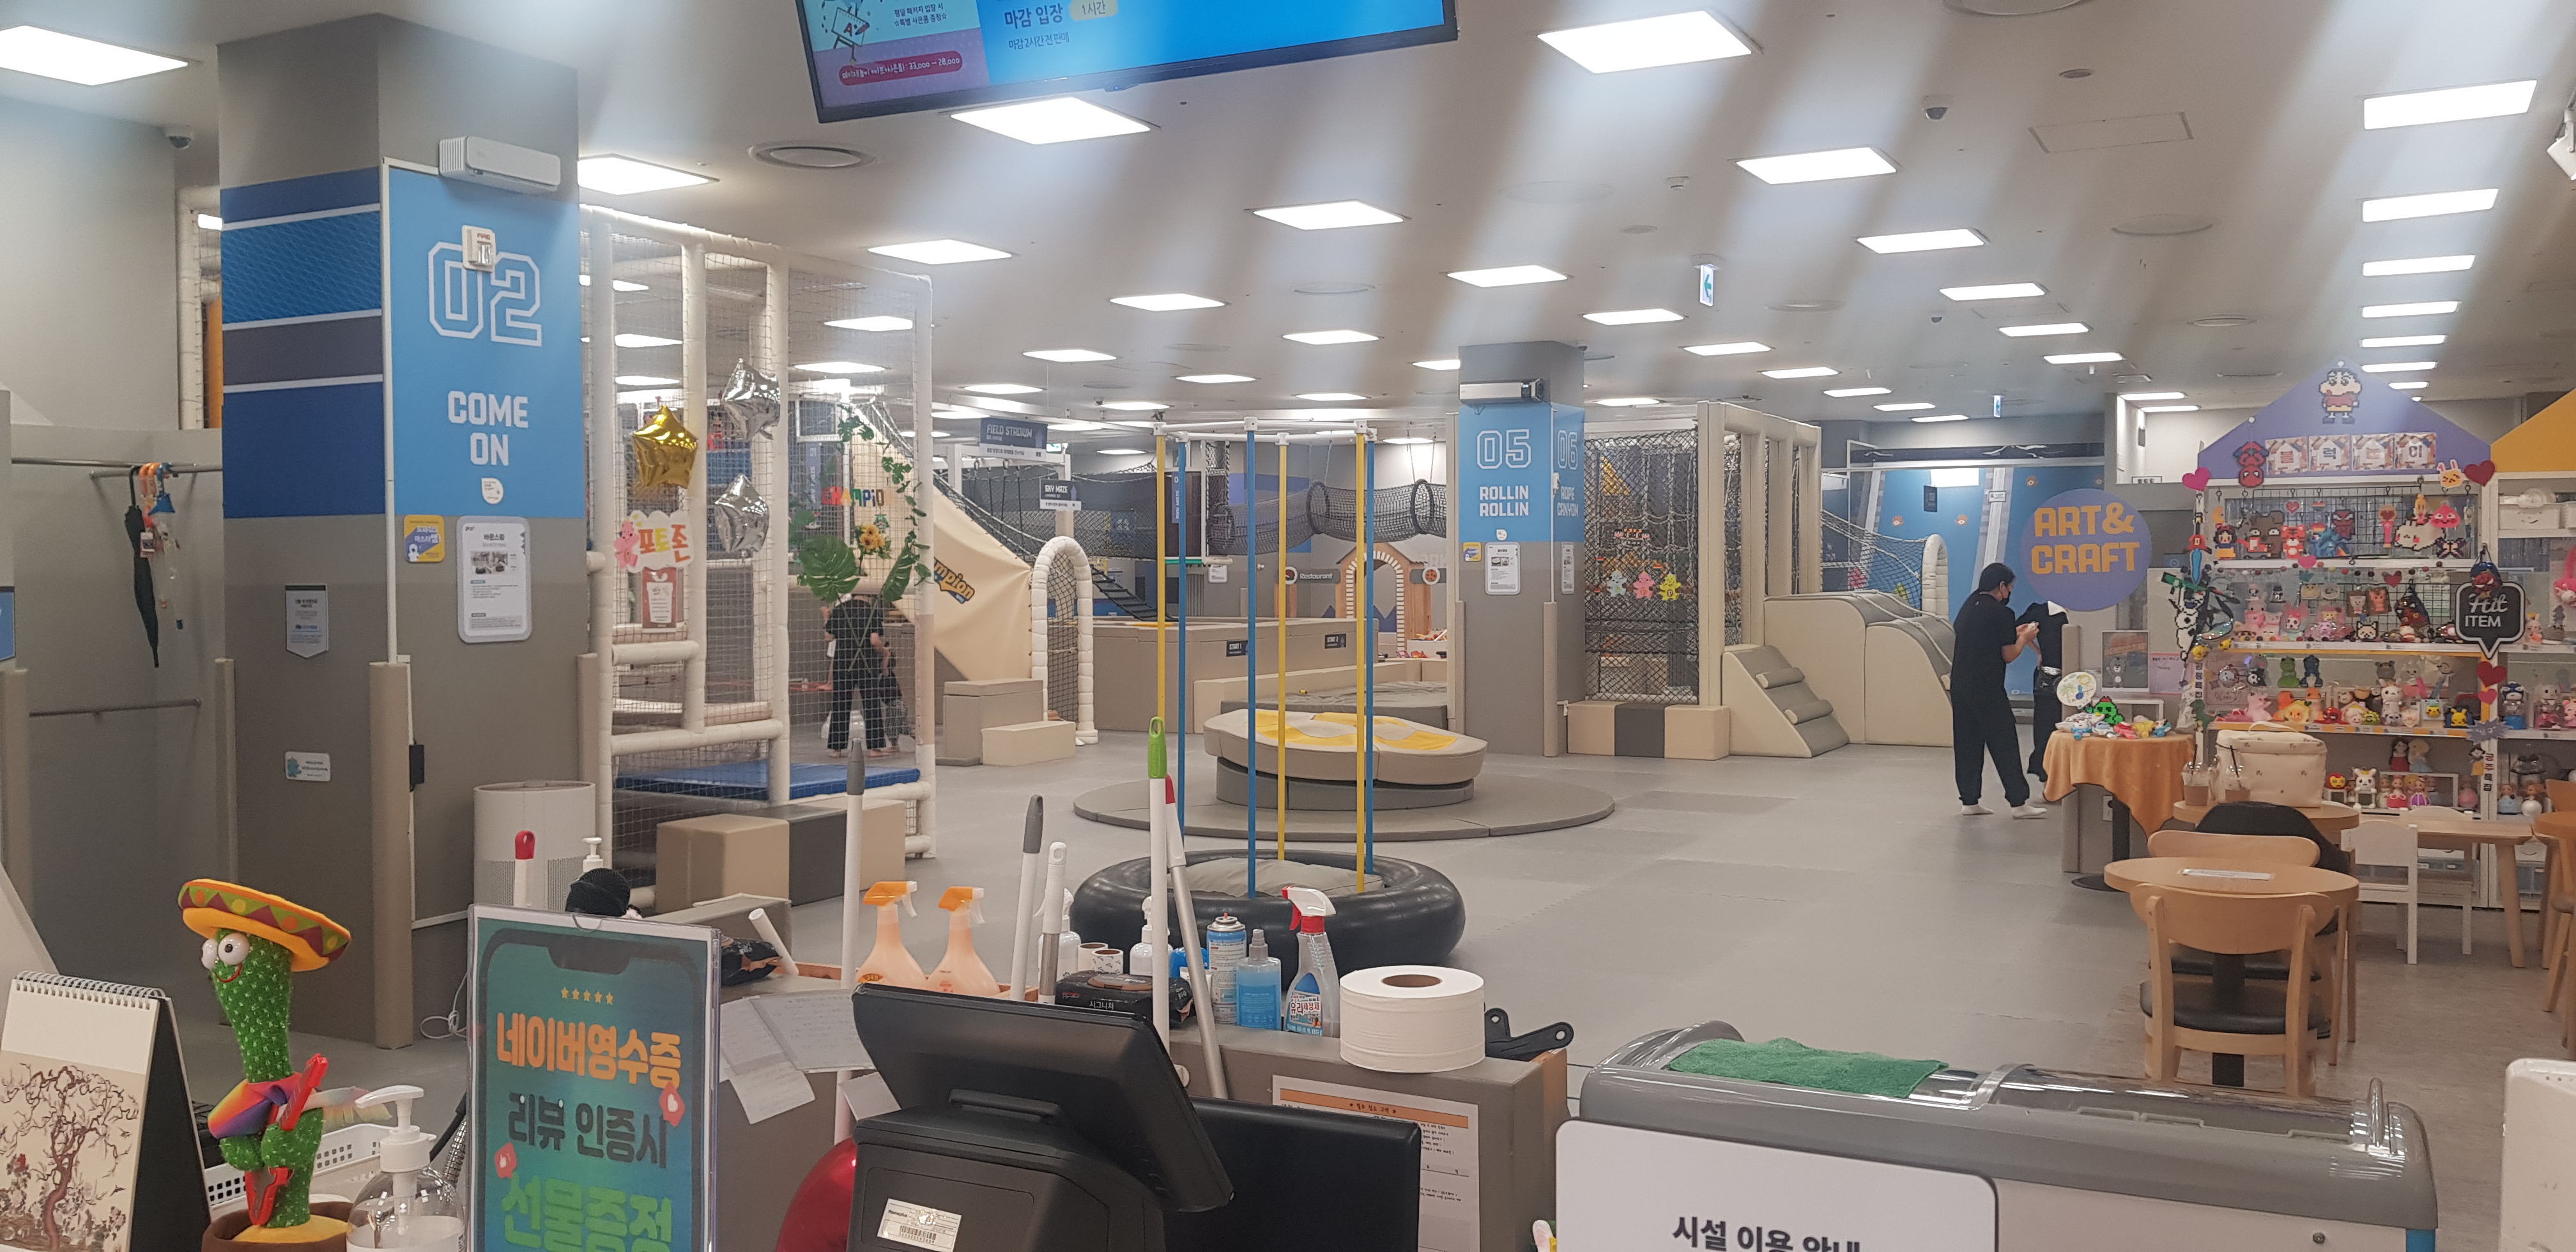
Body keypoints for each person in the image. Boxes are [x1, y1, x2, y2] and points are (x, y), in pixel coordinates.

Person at [1952, 563, 2048, 818]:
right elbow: (2009, 654)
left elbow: (1987, 637)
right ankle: (2019, 803)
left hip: (1961, 686)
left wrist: (2014, 633)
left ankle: (1969, 800)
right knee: (2004, 742)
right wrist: (2025, 638)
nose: (2010, 593)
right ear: (2002, 586)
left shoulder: (1970, 605)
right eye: (2010, 587)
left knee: (1967, 743)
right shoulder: (2002, 613)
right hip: (1987, 689)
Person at [825, 592, 900, 759]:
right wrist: (884, 651)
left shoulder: (840, 609)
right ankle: (875, 748)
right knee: (871, 704)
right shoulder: (872, 611)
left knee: (840, 704)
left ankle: (837, 749)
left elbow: (829, 636)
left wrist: (826, 618)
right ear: (869, 595)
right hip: (866, 663)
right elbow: (874, 640)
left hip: (843, 662)